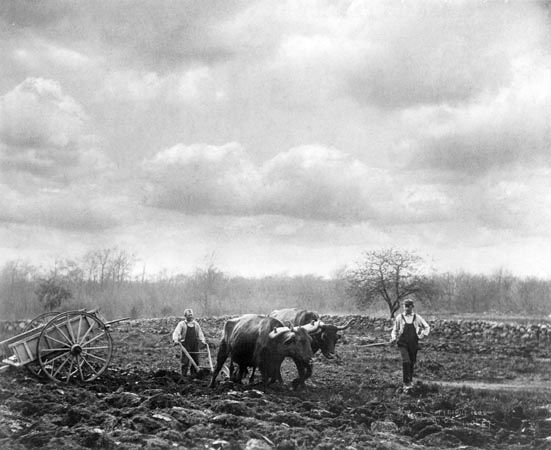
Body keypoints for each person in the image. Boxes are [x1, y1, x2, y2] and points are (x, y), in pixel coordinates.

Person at [390, 298, 430, 389]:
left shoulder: (417, 317)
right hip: (402, 343)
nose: (406, 308)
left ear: (412, 307)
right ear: (403, 307)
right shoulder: (400, 317)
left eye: (408, 306)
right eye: (405, 306)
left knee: (412, 362)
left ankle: (410, 380)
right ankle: (405, 382)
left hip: (413, 343)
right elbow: (394, 330)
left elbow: (427, 327)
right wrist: (393, 338)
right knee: (406, 361)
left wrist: (422, 335)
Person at [172, 309, 206, 378]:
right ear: (185, 316)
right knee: (185, 361)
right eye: (188, 315)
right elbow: (177, 332)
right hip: (185, 344)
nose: (190, 316)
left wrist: (203, 341)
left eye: (191, 315)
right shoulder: (182, 324)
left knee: (196, 360)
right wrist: (175, 340)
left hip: (195, 344)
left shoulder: (196, 324)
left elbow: (200, 334)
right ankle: (184, 375)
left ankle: (194, 375)